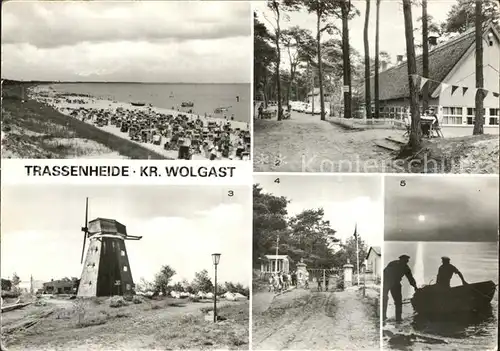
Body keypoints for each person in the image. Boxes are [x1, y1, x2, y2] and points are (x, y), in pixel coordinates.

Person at [383, 254, 418, 322]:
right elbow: (385, 272)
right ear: (401, 260)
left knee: (395, 300)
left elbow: (410, 278)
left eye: (406, 261)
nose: (406, 262)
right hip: (390, 283)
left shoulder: (402, 266)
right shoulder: (397, 265)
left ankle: (395, 318)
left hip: (391, 283)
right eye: (405, 260)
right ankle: (389, 317)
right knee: (390, 299)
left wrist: (415, 286)